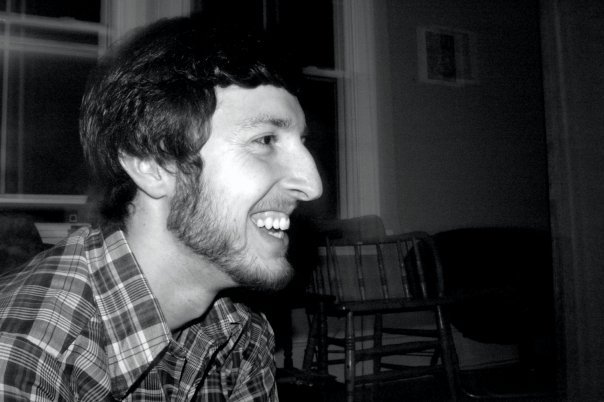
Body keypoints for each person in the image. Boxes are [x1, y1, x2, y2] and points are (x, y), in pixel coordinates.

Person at [0, 15, 322, 401]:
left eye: (302, 142)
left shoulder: (240, 335)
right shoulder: (25, 358)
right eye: (266, 140)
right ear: (151, 165)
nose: (312, 185)